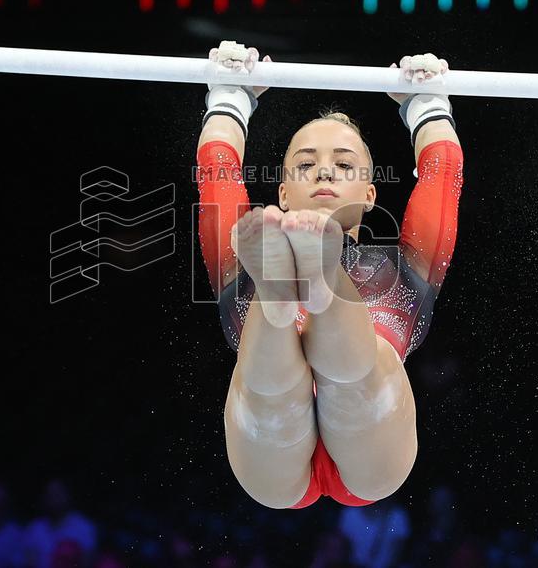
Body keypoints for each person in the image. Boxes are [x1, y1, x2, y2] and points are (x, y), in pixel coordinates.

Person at [195, 43, 464, 509]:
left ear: (370, 191)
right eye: (305, 164)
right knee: (276, 390)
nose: (324, 169)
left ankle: (302, 286)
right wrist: (428, 106)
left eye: (344, 164)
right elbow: (215, 174)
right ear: (281, 192)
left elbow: (444, 177)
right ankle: (291, 289)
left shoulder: (400, 265)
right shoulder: (397, 275)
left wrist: (229, 99)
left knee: (352, 372)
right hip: (281, 436)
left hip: (366, 444)